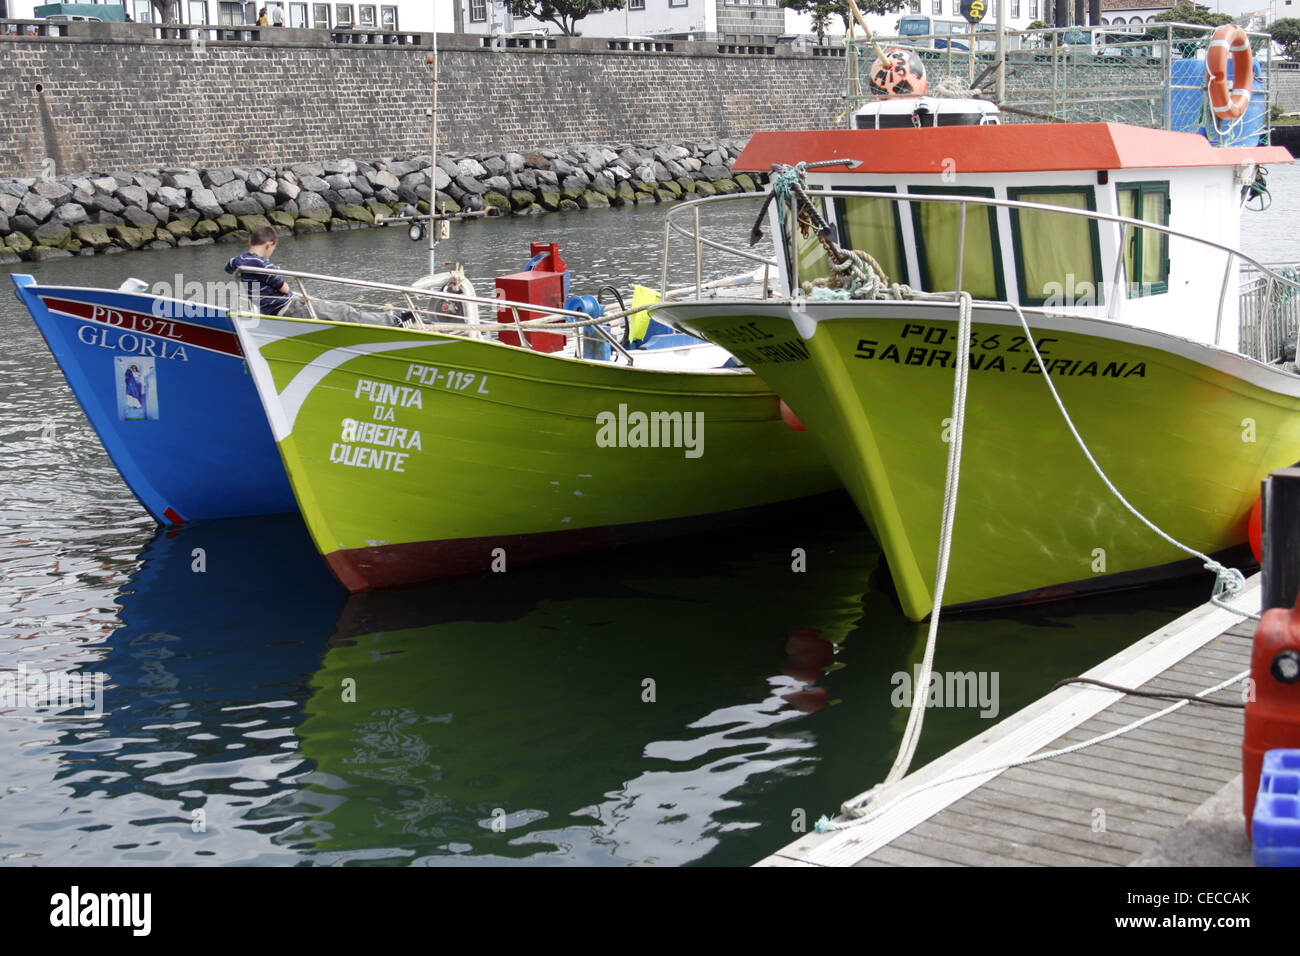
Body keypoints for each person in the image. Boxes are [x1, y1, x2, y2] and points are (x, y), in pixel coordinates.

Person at [225, 226, 404, 326]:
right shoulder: (264, 265)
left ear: (250, 242)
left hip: (274, 308)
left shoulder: (239, 260)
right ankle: (391, 321)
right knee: (343, 311)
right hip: (287, 308)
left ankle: (384, 320)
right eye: (273, 248)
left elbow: (228, 266)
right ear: (269, 244)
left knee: (329, 308)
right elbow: (283, 287)